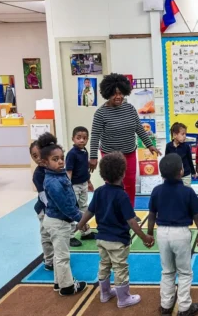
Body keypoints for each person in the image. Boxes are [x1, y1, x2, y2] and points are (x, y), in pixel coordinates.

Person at [76, 152, 154, 308]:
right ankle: (123, 298)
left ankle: (105, 293)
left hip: (102, 238)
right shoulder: (122, 196)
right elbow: (131, 221)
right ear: (123, 173)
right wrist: (145, 237)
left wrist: (80, 224)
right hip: (118, 240)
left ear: (103, 173)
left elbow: (89, 211)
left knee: (104, 264)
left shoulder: (98, 192)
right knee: (120, 268)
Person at [90, 73, 161, 213]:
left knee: (129, 184)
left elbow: (139, 128)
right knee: (112, 185)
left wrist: (149, 145)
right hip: (110, 156)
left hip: (129, 153)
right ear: (107, 93)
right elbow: (95, 136)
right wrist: (93, 157)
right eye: (114, 94)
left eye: (121, 93)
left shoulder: (130, 109)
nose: (118, 97)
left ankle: (129, 213)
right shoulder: (100, 113)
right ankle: (114, 212)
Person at [147, 154, 198, 316]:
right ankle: (184, 307)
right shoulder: (188, 192)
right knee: (185, 272)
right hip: (181, 233)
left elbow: (151, 214)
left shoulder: (157, 190)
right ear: (181, 171)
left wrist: (149, 234)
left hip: (162, 233)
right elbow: (197, 217)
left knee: (167, 271)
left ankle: (166, 305)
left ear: (161, 173)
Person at [38, 132, 87, 296]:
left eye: (61, 158)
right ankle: (67, 287)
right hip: (58, 223)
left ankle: (59, 282)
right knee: (62, 256)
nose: (60, 161)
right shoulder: (53, 182)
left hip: (58, 221)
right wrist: (81, 218)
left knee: (60, 255)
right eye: (55, 159)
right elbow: (66, 205)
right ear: (45, 163)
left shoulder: (58, 175)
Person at [66, 126, 95, 247]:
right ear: (73, 139)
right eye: (78, 138)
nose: (82, 140)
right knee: (73, 209)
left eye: (84, 138)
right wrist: (67, 187)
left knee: (84, 207)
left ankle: (85, 231)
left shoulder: (84, 151)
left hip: (83, 184)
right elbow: (69, 172)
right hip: (74, 186)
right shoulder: (71, 154)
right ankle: (70, 235)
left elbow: (85, 169)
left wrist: (88, 182)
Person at [30, 140, 54, 272]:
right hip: (44, 209)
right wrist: (50, 208)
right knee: (46, 234)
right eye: (34, 156)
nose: (38, 158)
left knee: (56, 234)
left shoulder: (53, 168)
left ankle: (55, 257)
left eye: (40, 154)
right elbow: (43, 195)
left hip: (55, 209)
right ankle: (49, 260)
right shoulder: (38, 174)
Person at [165, 122, 195, 187]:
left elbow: (190, 160)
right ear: (175, 135)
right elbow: (166, 161)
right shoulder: (168, 146)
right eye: (182, 134)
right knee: (174, 191)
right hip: (173, 175)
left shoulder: (186, 146)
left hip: (186, 174)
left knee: (186, 191)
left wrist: (193, 172)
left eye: (185, 134)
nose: (185, 136)